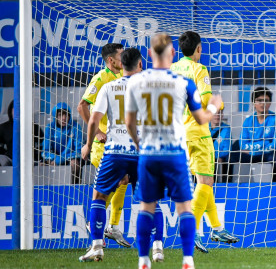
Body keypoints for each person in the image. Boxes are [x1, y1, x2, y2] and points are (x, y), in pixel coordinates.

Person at [124, 33, 223, 269]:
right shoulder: (185, 82)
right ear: (171, 53)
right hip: (175, 150)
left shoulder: (136, 81)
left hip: (149, 152)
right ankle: (187, 259)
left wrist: (140, 146)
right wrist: (214, 105)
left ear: (149, 54)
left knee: (147, 206)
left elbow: (129, 122)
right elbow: (202, 118)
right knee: (185, 207)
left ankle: (143, 259)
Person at [78, 48, 163, 262]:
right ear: (140, 65)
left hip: (115, 151)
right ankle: (158, 247)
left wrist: (89, 144)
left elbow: (94, 120)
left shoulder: (108, 87)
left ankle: (97, 246)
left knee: (99, 196)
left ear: (121, 65)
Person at [169, 31, 238, 253]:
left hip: (179, 132)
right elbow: (206, 100)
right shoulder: (199, 69)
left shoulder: (172, 69)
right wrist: (219, 105)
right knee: (206, 181)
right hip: (198, 130)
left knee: (203, 180)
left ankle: (216, 228)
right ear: (198, 48)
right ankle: (193, 230)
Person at [77, 43, 130, 247]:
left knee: (123, 180)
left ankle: (112, 226)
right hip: (103, 145)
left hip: (119, 143)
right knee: (108, 186)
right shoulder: (101, 78)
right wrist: (97, 131)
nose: (124, 57)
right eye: (120, 55)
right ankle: (96, 225)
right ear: (111, 60)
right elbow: (82, 105)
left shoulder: (121, 76)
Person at [236, 87, 276, 183]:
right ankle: (241, 184)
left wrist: (254, 149)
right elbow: (242, 145)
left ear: (270, 103)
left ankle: (275, 186)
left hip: (269, 154)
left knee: (275, 158)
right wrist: (265, 143)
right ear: (253, 103)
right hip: (253, 155)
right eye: (259, 100)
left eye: (266, 101)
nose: (263, 104)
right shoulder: (248, 121)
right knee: (235, 156)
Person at [41, 103, 82, 184]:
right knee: (41, 165)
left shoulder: (75, 127)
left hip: (70, 158)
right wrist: (55, 159)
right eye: (60, 115)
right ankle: (49, 187)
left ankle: (74, 187)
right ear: (55, 116)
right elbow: (45, 151)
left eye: (66, 115)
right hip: (53, 158)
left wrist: (60, 159)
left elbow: (79, 151)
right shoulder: (49, 128)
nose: (64, 118)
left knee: (75, 163)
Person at [210, 110, 232, 184]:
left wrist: (214, 156)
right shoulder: (203, 128)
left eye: (220, 113)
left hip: (218, 159)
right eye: (215, 113)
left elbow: (227, 149)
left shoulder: (226, 129)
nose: (217, 115)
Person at [0, 101, 12, 166]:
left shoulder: (33, 126)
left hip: (29, 159)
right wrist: (3, 152)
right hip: (9, 158)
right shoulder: (4, 127)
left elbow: (41, 141)